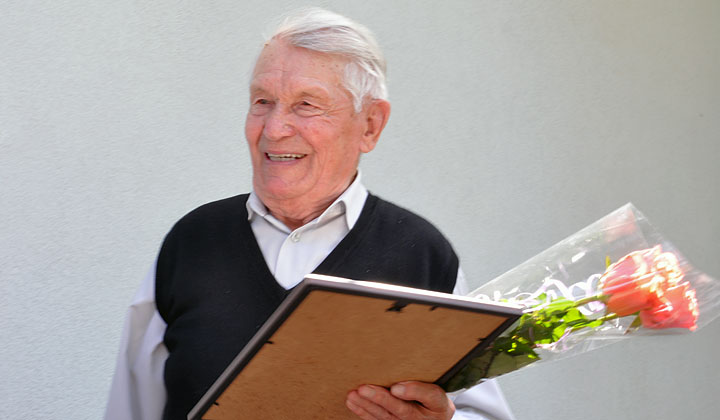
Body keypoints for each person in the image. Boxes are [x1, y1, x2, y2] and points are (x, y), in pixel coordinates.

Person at [104, 8, 515, 420]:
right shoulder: (192, 243)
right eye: (262, 102)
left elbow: (482, 413)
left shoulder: (422, 256)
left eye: (306, 104)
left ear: (370, 125)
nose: (274, 128)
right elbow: (130, 410)